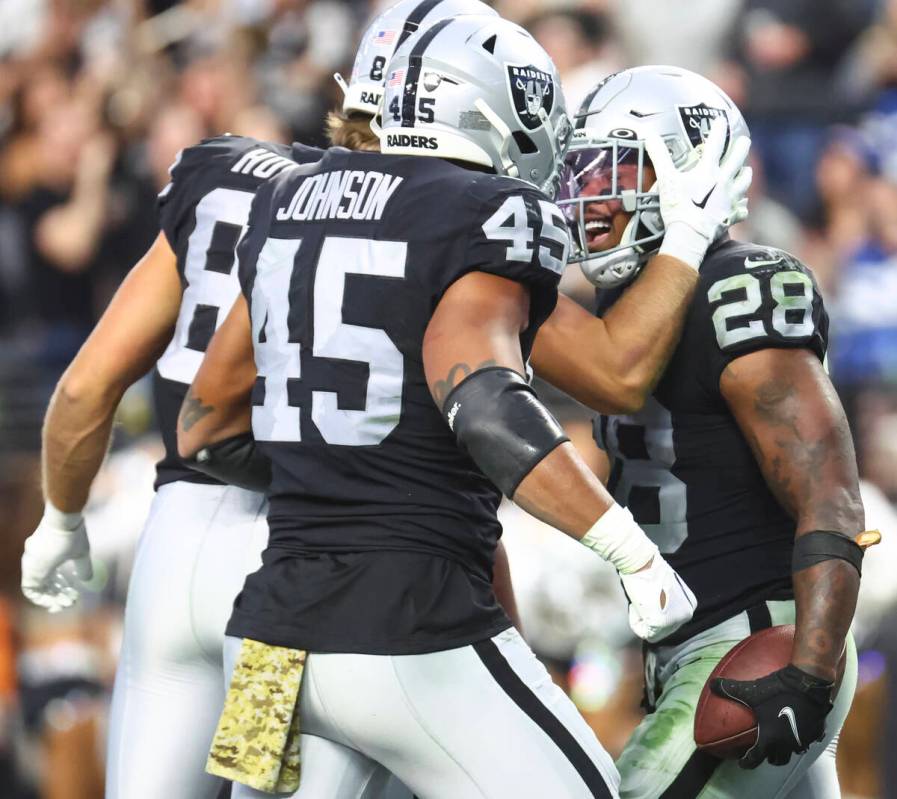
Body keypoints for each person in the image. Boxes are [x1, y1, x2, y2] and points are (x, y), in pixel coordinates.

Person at [178, 17, 749, 799]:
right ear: (474, 105)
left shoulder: (284, 200)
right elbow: (483, 401)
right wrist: (631, 552)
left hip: (269, 641)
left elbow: (203, 424)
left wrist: (338, 467)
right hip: (404, 618)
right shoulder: (477, 211)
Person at [17, 2, 499, 797]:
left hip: (173, 552)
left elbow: (85, 385)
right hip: (294, 564)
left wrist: (60, 522)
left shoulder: (222, 174)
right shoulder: (429, 214)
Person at [534, 65, 867, 798]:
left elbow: (831, 494)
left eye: (610, 168)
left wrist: (806, 669)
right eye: (577, 171)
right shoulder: (621, 302)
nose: (586, 195)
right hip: (688, 646)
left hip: (754, 641)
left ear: (684, 170)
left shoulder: (736, 284)